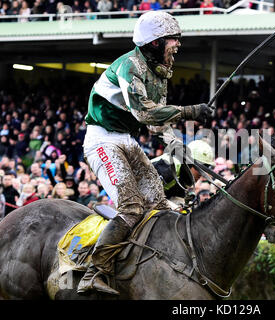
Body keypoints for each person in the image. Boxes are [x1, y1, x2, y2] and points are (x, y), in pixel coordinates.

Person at [77, 11, 214, 295]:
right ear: (154, 43)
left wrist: (176, 145)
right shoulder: (130, 66)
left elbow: (157, 123)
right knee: (131, 207)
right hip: (102, 140)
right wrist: (191, 110)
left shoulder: (160, 73)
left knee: (160, 205)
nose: (177, 45)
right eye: (172, 40)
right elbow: (143, 112)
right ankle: (94, 271)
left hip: (128, 140)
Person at [151, 139, 214, 207]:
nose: (202, 174)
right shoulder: (170, 166)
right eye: (201, 169)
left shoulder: (183, 177)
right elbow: (148, 194)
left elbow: (177, 200)